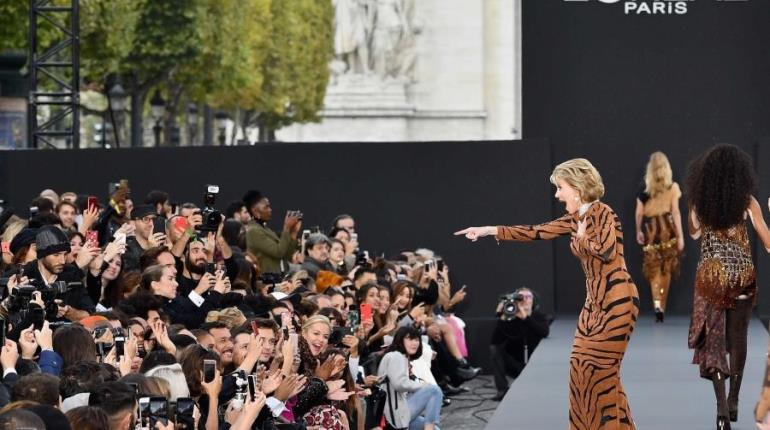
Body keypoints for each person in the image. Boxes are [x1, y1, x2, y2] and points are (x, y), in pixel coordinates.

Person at [456, 158, 639, 430]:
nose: (557, 194)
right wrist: (489, 230)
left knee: (601, 375)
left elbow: (607, 251)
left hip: (617, 302)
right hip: (594, 303)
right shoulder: (575, 218)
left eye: (560, 187)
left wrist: (582, 238)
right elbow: (535, 232)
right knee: (580, 370)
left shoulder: (603, 213)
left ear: (576, 188)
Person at [686, 145, 770, 429]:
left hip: (711, 280)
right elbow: (769, 244)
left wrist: (692, 206)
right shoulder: (748, 202)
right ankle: (734, 398)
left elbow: (695, 233)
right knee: (738, 339)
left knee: (714, 344)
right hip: (741, 278)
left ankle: (722, 410)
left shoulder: (701, 202)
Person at [635, 151, 684, 322]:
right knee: (667, 269)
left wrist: (638, 231)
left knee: (653, 269)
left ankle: (657, 304)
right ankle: (662, 304)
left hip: (651, 231)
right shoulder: (673, 188)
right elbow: (676, 212)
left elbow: (639, 213)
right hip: (668, 230)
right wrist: (681, 236)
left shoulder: (644, 189)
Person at [489, 287, 549, 401]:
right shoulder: (511, 317)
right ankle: (502, 390)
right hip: (516, 364)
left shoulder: (539, 316)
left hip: (536, 365)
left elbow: (544, 332)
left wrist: (525, 318)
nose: (525, 299)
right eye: (521, 297)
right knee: (495, 350)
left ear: (533, 300)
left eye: (528, 297)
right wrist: (501, 317)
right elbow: (495, 342)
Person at [378, 326, 443, 430]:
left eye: (416, 339)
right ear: (400, 340)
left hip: (402, 412)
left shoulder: (403, 358)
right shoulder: (395, 356)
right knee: (434, 390)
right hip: (394, 415)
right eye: (410, 339)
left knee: (436, 429)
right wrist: (421, 385)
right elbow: (400, 384)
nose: (414, 343)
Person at [243, 190, 301, 275]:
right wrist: (286, 228)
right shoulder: (253, 231)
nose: (270, 210)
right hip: (265, 282)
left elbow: (286, 255)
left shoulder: (266, 230)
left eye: (269, 207)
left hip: (277, 278)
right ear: (255, 211)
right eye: (266, 207)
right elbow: (278, 252)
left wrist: (294, 233)